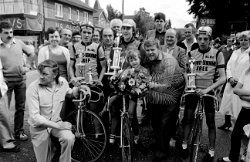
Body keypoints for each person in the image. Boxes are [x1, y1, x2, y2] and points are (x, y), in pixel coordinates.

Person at [181, 26, 226, 162]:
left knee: (211, 123)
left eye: (205, 39)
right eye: (199, 39)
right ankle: (184, 145)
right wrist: (188, 84)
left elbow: (223, 77)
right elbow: (186, 72)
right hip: (193, 90)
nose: (202, 41)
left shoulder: (218, 53)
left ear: (210, 40)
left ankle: (211, 151)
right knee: (188, 119)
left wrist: (208, 90)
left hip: (208, 91)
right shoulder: (191, 53)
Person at [26, 59, 85, 162]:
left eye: (44, 74)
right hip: (40, 128)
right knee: (45, 160)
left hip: (55, 122)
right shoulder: (33, 88)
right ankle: (51, 149)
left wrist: (78, 88)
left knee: (69, 138)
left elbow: (69, 93)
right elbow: (35, 118)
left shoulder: (63, 82)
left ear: (55, 74)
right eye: (40, 73)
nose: (41, 76)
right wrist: (60, 126)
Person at [143, 38, 185, 161]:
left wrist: (150, 85)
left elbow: (167, 85)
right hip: (156, 88)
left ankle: (163, 151)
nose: (150, 52)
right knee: (154, 118)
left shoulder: (169, 60)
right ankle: (159, 143)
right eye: (147, 50)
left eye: (152, 50)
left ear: (159, 49)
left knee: (165, 121)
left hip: (172, 90)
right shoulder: (148, 59)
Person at [108, 49, 149, 154]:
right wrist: (115, 78)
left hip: (135, 96)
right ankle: (112, 140)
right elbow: (120, 78)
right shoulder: (127, 70)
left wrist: (140, 87)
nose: (133, 62)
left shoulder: (143, 70)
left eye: (135, 59)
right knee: (114, 109)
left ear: (139, 59)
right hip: (124, 94)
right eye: (131, 60)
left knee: (132, 114)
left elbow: (146, 82)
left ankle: (135, 139)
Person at [0, 21, 34, 141]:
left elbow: (31, 53)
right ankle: (5, 136)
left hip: (20, 81)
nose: (9, 35)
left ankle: (19, 132)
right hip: (5, 84)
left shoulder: (18, 42)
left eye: (11, 32)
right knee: (4, 111)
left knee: (20, 108)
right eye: (6, 33)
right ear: (0, 33)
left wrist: (28, 66)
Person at [217, 53, 250, 162]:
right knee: (236, 135)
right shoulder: (246, 72)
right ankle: (233, 157)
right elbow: (236, 90)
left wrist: (243, 94)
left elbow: (239, 91)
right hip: (245, 110)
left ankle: (245, 158)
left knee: (247, 137)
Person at [218, 31, 250, 130]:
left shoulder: (249, 53)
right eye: (241, 40)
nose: (243, 42)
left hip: (242, 84)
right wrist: (230, 78)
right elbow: (229, 66)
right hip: (231, 82)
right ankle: (227, 123)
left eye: (246, 40)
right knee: (228, 104)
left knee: (239, 107)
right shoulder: (235, 52)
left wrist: (238, 80)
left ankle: (242, 128)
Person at [0, 58, 20, 152]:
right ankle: (6, 143)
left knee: (3, 116)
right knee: (3, 115)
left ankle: (6, 142)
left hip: (1, 89)